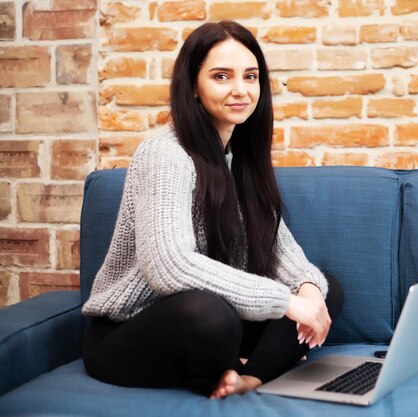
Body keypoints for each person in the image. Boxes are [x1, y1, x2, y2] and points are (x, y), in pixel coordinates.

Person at [82, 20, 344, 398]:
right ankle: (227, 364)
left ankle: (249, 379)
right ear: (193, 86)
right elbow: (167, 266)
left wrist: (306, 290)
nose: (240, 90)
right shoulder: (165, 153)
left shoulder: (242, 160)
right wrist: (285, 302)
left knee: (325, 286)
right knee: (211, 315)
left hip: (215, 322)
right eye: (222, 76)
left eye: (250, 77)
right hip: (133, 331)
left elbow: (279, 248)